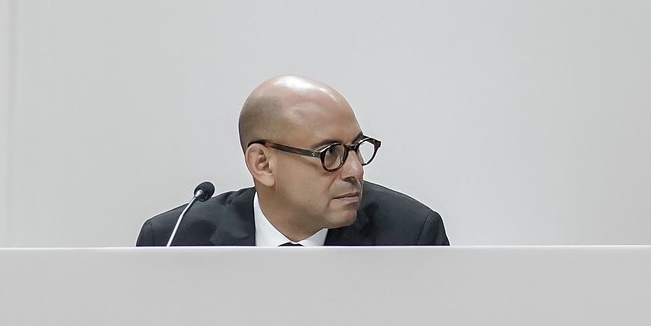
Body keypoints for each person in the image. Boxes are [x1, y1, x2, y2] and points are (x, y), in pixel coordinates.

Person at [137, 76, 447, 246]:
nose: (355, 170)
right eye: (330, 153)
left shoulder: (410, 236)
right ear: (263, 164)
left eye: (357, 147)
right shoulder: (175, 241)